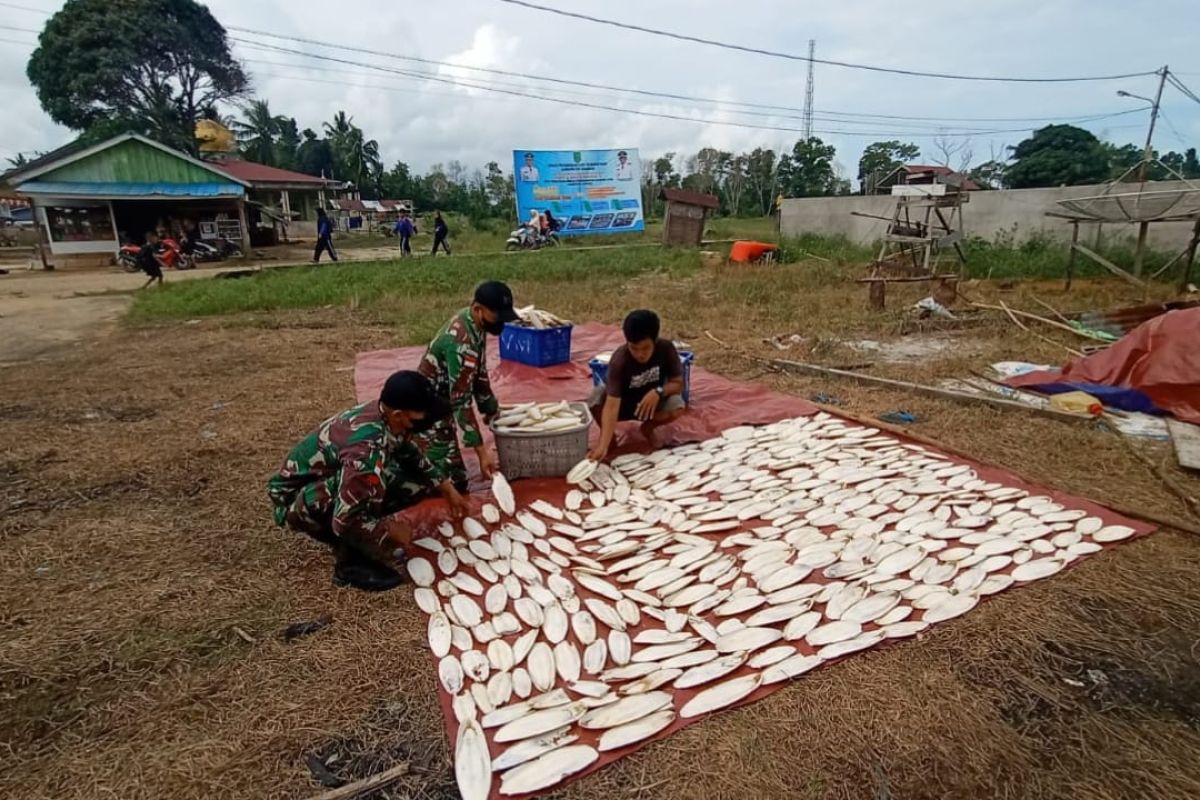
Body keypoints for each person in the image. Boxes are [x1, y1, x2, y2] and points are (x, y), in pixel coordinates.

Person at [267, 370, 469, 592]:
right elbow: (344, 520)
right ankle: (350, 564)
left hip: (328, 479)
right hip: (296, 500)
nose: (426, 421)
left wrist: (444, 485)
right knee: (368, 489)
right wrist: (389, 530)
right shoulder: (366, 450)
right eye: (419, 416)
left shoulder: (387, 415)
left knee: (414, 483)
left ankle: (365, 528)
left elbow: (408, 452)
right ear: (399, 414)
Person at [417, 281, 519, 490]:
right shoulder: (461, 344)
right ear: (477, 309)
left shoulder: (476, 323)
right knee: (452, 482)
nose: (500, 322)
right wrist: (481, 452)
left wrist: (491, 409)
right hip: (427, 412)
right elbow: (460, 401)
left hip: (445, 402)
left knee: (456, 477)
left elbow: (479, 375)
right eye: (496, 315)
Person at [588, 309, 687, 461]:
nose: (640, 354)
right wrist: (602, 444)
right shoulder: (619, 360)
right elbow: (612, 405)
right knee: (595, 396)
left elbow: (679, 384)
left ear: (655, 341)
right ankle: (610, 439)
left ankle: (648, 428)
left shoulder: (666, 349)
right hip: (624, 405)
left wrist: (658, 391)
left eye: (645, 348)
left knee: (678, 406)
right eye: (634, 348)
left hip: (652, 405)